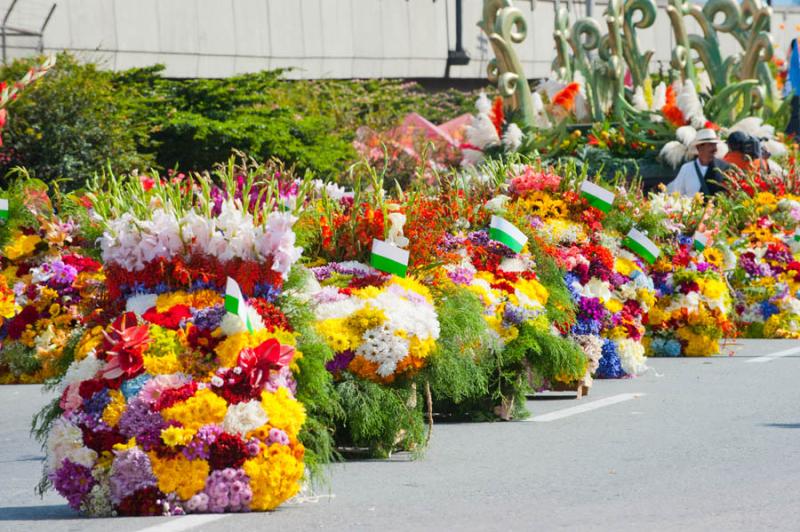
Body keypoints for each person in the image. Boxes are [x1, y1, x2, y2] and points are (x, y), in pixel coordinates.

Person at [666, 128, 732, 196]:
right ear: (699, 147)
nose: (715, 148)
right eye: (710, 144)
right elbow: (677, 193)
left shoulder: (723, 168)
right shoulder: (687, 169)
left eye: (715, 144)